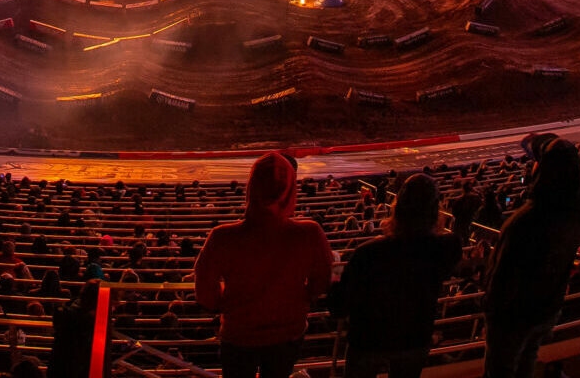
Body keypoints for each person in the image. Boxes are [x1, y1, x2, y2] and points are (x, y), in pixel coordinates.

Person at [193, 151, 335, 378]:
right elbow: (320, 283)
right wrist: (296, 300)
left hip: (238, 334)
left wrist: (225, 303)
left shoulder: (222, 237)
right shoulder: (310, 233)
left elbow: (204, 289)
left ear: (251, 188)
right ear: (291, 192)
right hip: (288, 332)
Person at [329, 173, 463, 378]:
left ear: (397, 208)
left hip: (368, 341)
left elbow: (338, 307)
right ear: (436, 212)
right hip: (414, 340)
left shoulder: (368, 253)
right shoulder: (445, 249)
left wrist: (334, 281)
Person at [483, 135, 580, 378]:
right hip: (548, 307)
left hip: (514, 315)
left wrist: (491, 311)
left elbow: (501, 275)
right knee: (527, 360)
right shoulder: (577, 208)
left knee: (500, 369)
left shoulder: (525, 220)